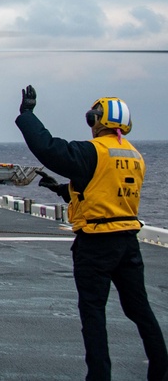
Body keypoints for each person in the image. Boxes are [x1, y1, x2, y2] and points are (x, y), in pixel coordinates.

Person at [16, 85, 168, 381]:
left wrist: (27, 115)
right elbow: (103, 191)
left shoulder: (93, 151)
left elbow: (48, 147)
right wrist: (61, 189)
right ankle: (160, 370)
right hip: (127, 242)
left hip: (96, 244)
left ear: (98, 119)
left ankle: (99, 376)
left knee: (93, 312)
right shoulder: (135, 156)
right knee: (140, 309)